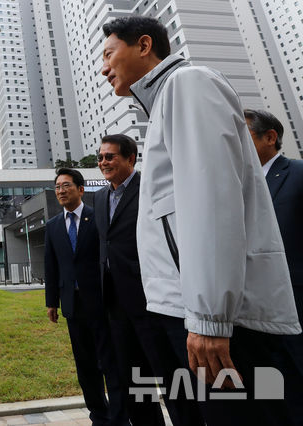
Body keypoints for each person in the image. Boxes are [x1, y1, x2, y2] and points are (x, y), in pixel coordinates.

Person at [101, 15, 300, 426]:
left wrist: (210, 318)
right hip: (188, 313)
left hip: (215, 323)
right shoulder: (162, 107)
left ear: (143, 45)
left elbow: (212, 202)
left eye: (108, 53)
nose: (103, 67)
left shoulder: (187, 85)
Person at [93, 134, 195, 426]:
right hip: (115, 305)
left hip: (152, 300)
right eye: (100, 157)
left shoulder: (150, 189)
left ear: (130, 158)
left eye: (109, 156)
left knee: (171, 378)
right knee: (133, 383)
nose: (103, 162)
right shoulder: (99, 197)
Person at [45, 168, 128, 426]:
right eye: (58, 187)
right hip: (73, 305)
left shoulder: (98, 217)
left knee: (110, 362)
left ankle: (119, 417)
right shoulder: (53, 225)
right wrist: (51, 302)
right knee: (85, 366)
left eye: (67, 185)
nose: (61, 190)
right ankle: (99, 415)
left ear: (81, 190)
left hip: (101, 302)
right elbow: (51, 265)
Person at [245, 108, 303, 424]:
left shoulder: (297, 174)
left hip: (295, 303)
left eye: (243, 137)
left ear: (270, 137)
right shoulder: (236, 185)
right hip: (253, 311)